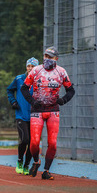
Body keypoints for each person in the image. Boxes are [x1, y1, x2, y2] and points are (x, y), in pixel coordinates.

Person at [21, 47, 75, 180]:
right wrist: (32, 102)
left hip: (53, 111)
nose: (47, 59)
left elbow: (71, 90)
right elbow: (24, 88)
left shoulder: (61, 72)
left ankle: (46, 170)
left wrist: (63, 100)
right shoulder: (36, 70)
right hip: (37, 111)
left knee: (52, 143)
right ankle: (36, 161)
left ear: (56, 59)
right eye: (45, 56)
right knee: (34, 143)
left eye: (50, 57)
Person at [7, 57, 39, 175]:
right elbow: (9, 90)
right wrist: (13, 101)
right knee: (24, 139)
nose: (30, 69)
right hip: (21, 114)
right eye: (28, 66)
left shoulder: (39, 80)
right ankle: (20, 161)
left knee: (33, 143)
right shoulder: (19, 78)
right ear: (26, 67)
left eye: (33, 66)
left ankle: (26, 165)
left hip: (35, 116)